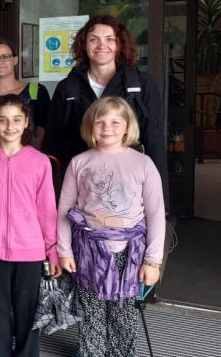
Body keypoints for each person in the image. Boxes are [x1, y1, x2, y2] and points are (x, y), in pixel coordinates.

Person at [57, 97, 165, 356]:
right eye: (100, 122)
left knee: (123, 313)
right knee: (91, 311)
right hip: (88, 251)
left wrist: (152, 261)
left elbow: (156, 213)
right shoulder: (79, 162)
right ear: (90, 127)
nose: (107, 127)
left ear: (128, 127)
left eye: (116, 122)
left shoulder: (143, 164)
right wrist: (64, 251)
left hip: (129, 254)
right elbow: (63, 210)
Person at [0, 95, 58, 357]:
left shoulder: (40, 161)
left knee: (28, 317)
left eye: (17, 119)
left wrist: (51, 249)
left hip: (30, 252)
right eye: (3, 120)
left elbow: (47, 210)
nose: (10, 126)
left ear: (27, 122)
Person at [43, 16, 167, 203]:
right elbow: (54, 142)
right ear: (84, 45)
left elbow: (154, 139)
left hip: (129, 187)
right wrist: (52, 197)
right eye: (94, 39)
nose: (102, 45)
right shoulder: (68, 88)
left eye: (110, 39)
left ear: (119, 45)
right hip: (81, 186)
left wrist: (160, 201)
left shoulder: (141, 85)